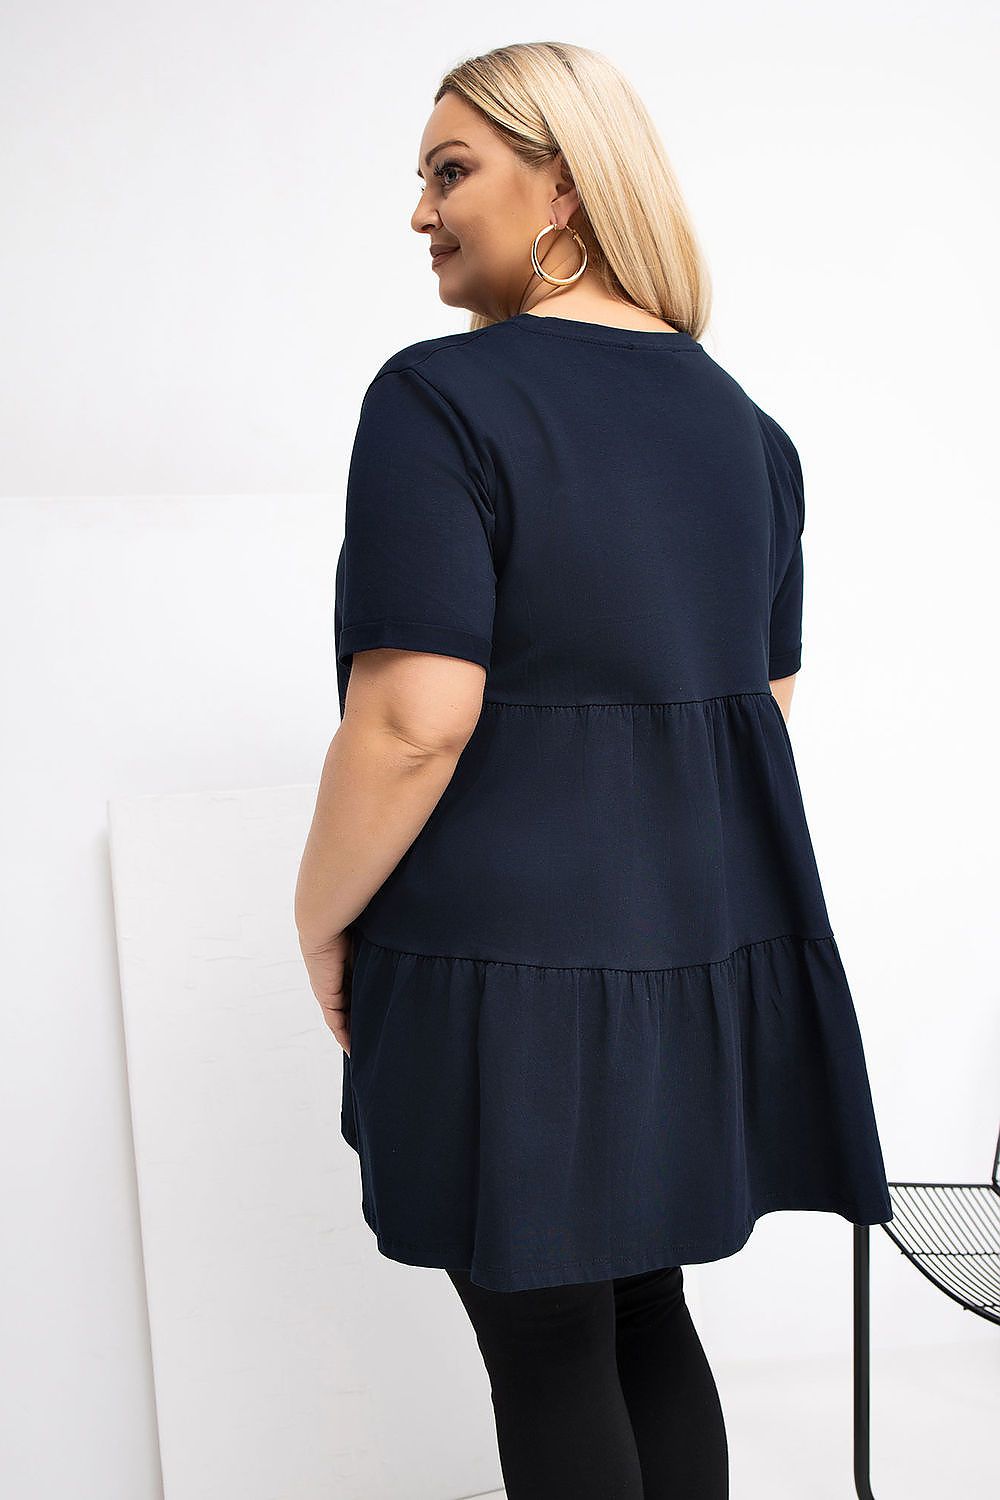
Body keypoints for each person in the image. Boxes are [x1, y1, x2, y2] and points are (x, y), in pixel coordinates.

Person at [295, 40, 893, 1498]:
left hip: (499, 964)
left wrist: (318, 918)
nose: (422, 212)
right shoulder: (748, 432)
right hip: (685, 961)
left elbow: (414, 719)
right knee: (643, 1312)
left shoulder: (441, 399)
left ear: (560, 182)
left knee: (548, 1347)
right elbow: (764, 696)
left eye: (452, 171)